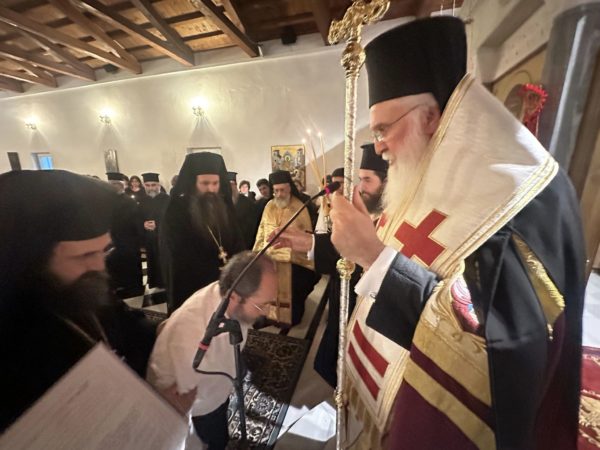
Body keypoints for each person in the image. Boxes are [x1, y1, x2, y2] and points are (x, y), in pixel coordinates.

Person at [329, 17, 586, 450]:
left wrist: (374, 257)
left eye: (383, 129)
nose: (379, 146)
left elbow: (499, 350)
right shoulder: (432, 171)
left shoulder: (515, 197)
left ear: (431, 116)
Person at [0, 170, 159, 432]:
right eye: (83, 256)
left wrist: (168, 330)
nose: (99, 267)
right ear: (29, 259)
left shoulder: (80, 285)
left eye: (104, 250)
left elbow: (125, 325)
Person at [272, 144, 387, 387]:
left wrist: (311, 243)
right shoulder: (366, 209)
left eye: (367, 180)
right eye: (359, 179)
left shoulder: (391, 217)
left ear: (386, 184)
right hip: (342, 290)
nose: (359, 187)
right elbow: (345, 247)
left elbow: (363, 251)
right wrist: (309, 242)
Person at [147, 251, 277, 449]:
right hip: (200, 408)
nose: (267, 312)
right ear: (234, 297)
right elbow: (182, 402)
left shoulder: (227, 295)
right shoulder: (192, 341)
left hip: (215, 389)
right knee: (214, 440)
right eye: (262, 306)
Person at [161, 152, 244, 315]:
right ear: (193, 183)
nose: (211, 189)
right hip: (194, 287)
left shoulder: (225, 207)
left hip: (227, 285)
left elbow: (238, 242)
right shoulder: (176, 212)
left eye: (215, 183)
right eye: (205, 183)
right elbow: (177, 257)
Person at [254, 170, 318, 326]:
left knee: (290, 293)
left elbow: (306, 235)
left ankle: (288, 319)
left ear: (289, 188)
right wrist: (256, 253)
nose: (279, 194)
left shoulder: (299, 207)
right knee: (269, 290)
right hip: (270, 257)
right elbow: (262, 229)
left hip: (292, 260)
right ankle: (270, 317)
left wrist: (304, 258)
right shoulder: (269, 205)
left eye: (282, 190)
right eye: (276, 190)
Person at [105, 172, 144, 298]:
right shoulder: (104, 201)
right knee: (114, 265)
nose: (114, 186)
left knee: (131, 265)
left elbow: (136, 221)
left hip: (129, 239)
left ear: (122, 185)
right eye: (112, 184)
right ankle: (117, 287)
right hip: (111, 239)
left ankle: (135, 288)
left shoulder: (129, 201)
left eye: (117, 184)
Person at [139, 172, 170, 289]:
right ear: (144, 186)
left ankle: (166, 282)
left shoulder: (167, 199)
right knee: (152, 260)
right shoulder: (142, 200)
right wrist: (143, 224)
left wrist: (158, 224)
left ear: (159, 185)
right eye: (148, 185)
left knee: (164, 260)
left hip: (164, 237)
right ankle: (155, 283)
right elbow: (137, 218)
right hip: (149, 238)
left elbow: (172, 217)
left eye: (153, 185)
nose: (151, 188)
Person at [228, 171, 259, 250]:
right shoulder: (220, 203)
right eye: (227, 185)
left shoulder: (247, 203)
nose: (230, 187)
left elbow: (253, 226)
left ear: (236, 185)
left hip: (245, 243)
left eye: (232, 184)